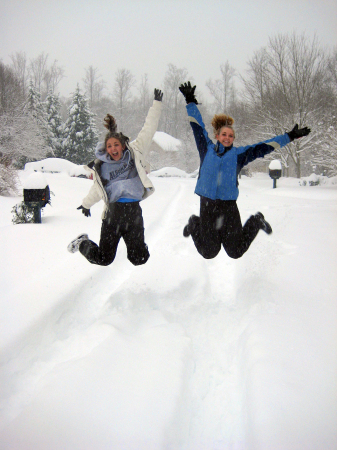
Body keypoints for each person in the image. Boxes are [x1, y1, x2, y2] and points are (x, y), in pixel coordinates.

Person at [179, 81, 310, 260]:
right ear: (217, 136)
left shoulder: (239, 155)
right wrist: (190, 101)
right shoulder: (206, 149)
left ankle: (256, 221)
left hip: (228, 207)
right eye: (224, 134)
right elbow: (197, 126)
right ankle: (195, 224)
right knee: (209, 253)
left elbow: (264, 146)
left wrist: (290, 136)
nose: (227, 137)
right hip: (207, 206)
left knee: (235, 252)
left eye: (231, 135)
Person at [67, 88, 163, 266]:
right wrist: (86, 204)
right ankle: (82, 242)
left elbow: (149, 129)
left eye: (115, 144)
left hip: (133, 214)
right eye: (109, 145)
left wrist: (156, 105)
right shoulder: (102, 167)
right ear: (106, 148)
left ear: (123, 145)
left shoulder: (135, 151)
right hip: (113, 215)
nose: (112, 148)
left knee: (139, 258)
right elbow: (98, 189)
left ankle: (139, 246)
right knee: (104, 259)